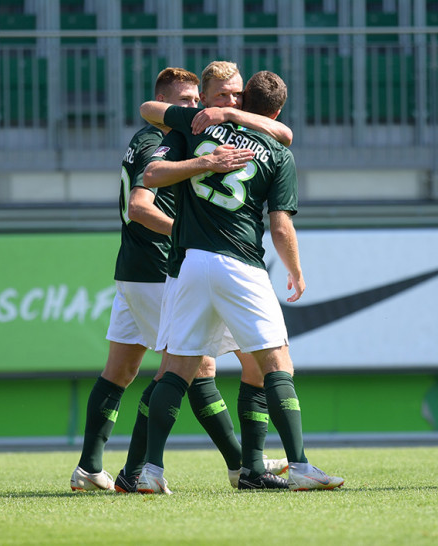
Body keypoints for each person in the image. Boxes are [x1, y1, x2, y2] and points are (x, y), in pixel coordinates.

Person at [70, 66, 292, 494]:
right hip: (160, 268)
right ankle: (235, 465)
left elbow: (280, 134)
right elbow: (140, 206)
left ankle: (89, 467)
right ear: (168, 103)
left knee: (120, 369)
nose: (192, 108)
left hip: (136, 267)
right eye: (185, 100)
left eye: (195, 100)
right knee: (196, 368)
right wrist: (192, 232)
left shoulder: (158, 137)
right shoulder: (162, 140)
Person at [136, 70, 344, 494]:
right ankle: (300, 465)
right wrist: (296, 271)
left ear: (242, 100)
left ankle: (150, 472)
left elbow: (149, 125)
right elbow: (280, 225)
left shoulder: (197, 128)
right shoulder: (278, 153)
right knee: (276, 363)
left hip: (190, 262)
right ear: (278, 110)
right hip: (240, 264)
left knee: (176, 368)